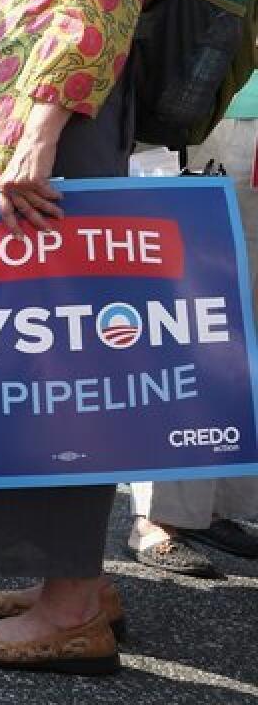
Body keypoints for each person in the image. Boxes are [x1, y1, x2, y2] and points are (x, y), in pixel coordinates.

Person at [0, 0, 169, 675]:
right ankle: (76, 582)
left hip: (49, 124)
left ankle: (69, 608)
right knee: (38, 356)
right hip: (36, 115)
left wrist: (38, 134)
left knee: (56, 363)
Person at [128, 115, 258, 578]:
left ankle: (211, 507)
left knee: (241, 328)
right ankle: (157, 515)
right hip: (203, 110)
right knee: (180, 318)